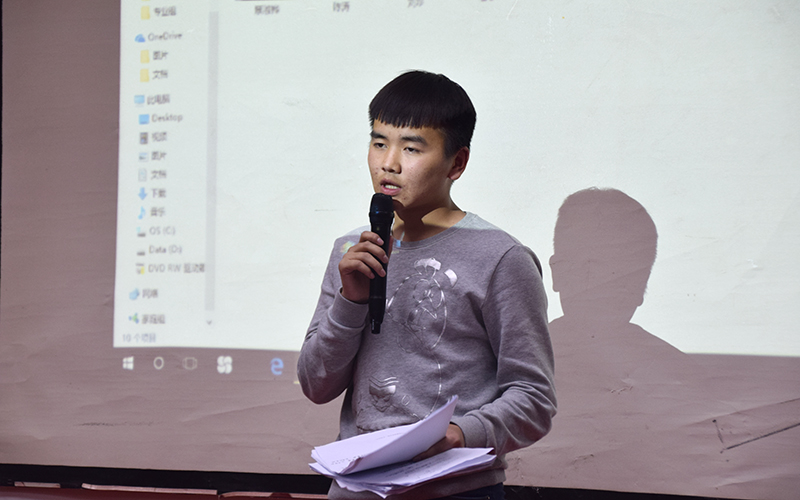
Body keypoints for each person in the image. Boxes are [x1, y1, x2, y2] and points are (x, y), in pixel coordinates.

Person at [297, 70, 556, 500]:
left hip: (455, 491)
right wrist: (350, 301)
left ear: (457, 163)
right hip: (356, 488)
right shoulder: (352, 249)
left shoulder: (501, 258)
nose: (389, 163)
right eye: (379, 143)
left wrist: (461, 433)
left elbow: (534, 397)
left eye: (412, 148)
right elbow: (316, 384)